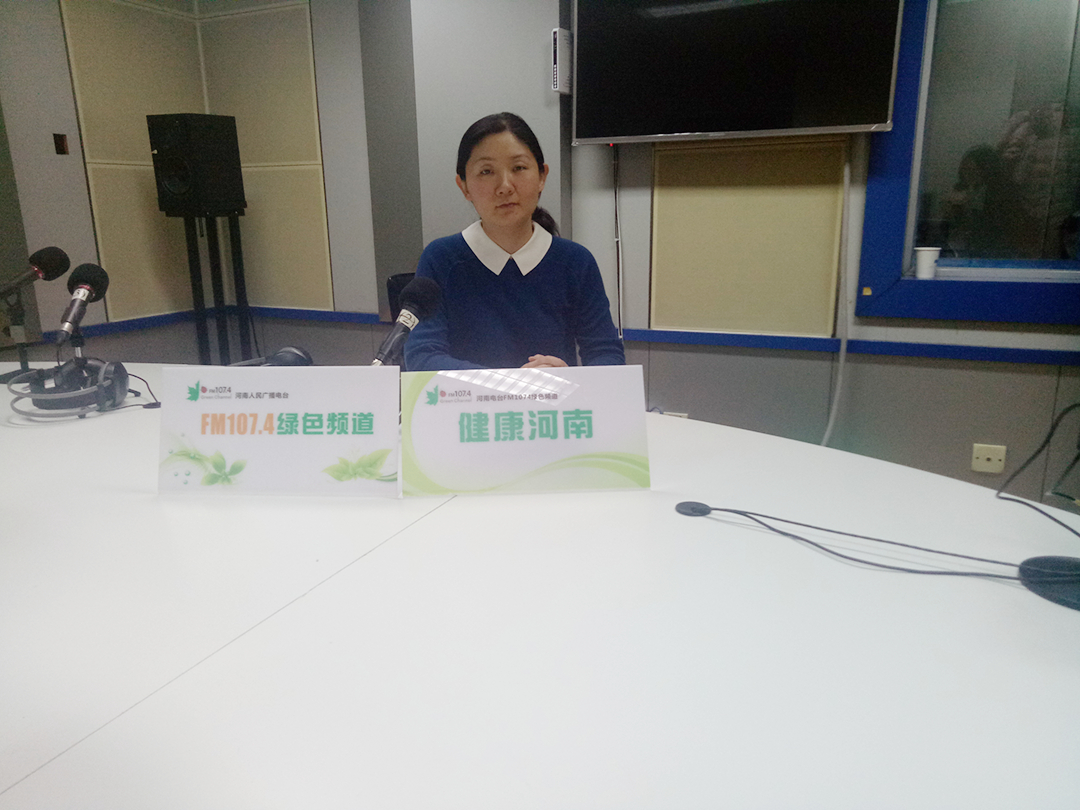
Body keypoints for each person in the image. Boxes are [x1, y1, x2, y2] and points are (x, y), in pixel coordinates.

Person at [403, 112, 625, 371]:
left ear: (542, 177)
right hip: (470, 400)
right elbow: (422, 357)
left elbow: (606, 355)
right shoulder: (441, 258)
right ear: (464, 186)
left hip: (552, 398)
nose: (505, 186)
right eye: (486, 171)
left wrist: (570, 378)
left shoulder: (575, 261)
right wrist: (512, 385)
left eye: (519, 168)